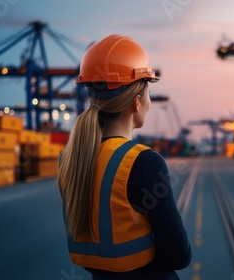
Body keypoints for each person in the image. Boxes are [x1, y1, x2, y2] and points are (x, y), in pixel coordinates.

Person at [58, 34, 192, 280]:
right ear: (137, 102)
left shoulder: (69, 159)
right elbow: (179, 255)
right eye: (149, 92)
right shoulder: (143, 163)